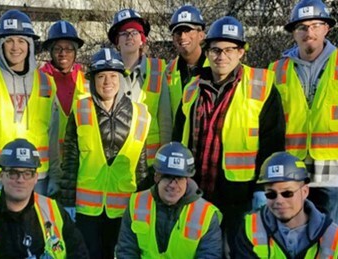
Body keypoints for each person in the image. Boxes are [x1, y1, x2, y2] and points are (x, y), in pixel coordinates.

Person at [178, 16, 285, 255]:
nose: (221, 56)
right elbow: (180, 137)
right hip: (197, 191)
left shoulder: (261, 85)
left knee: (238, 252)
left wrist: (263, 188)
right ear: (206, 52)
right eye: (215, 50)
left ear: (241, 53)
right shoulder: (192, 88)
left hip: (241, 195)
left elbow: (272, 142)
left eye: (229, 49)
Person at [269, 0, 338, 228]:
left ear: (326, 28)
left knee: (332, 238)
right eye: (302, 27)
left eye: (316, 25)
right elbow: (268, 124)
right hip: (290, 172)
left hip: (333, 174)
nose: (309, 32)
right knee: (291, 237)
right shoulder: (276, 71)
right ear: (293, 33)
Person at [61, 48, 150, 258]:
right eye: (101, 76)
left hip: (124, 207)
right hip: (86, 209)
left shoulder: (141, 114)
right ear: (93, 81)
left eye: (113, 76)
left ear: (121, 79)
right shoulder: (80, 109)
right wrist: (67, 204)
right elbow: (71, 161)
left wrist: (143, 206)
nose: (107, 81)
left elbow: (142, 167)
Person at [0, 9, 61, 199]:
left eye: (21, 41)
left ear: (30, 45)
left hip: (37, 177)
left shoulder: (46, 83)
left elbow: (54, 136)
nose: (15, 47)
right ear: (0, 45)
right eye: (8, 40)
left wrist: (56, 177)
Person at [0, 138, 88, 258]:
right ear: (1, 176)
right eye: (13, 173)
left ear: (36, 177)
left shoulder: (54, 211)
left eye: (27, 173)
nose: (20, 180)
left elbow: (79, 252)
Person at [233, 152, 338, 258]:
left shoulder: (334, 239)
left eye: (287, 193)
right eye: (271, 194)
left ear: (304, 192)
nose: (279, 200)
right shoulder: (250, 229)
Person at [116, 142, 223, 258]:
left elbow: (209, 256)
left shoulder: (206, 215)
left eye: (179, 178)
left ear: (187, 179)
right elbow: (126, 251)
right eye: (168, 177)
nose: (173, 185)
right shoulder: (136, 204)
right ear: (157, 177)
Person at [107, 8, 172, 167]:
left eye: (135, 32)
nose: (129, 36)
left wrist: (164, 161)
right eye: (124, 33)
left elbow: (165, 120)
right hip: (117, 161)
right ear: (117, 42)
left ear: (143, 39)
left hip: (150, 163)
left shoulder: (157, 70)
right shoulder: (107, 72)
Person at [39, 20, 87, 220]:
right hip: (47, 165)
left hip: (77, 165)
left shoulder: (86, 81)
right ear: (50, 51)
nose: (63, 53)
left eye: (68, 48)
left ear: (76, 52)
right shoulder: (39, 79)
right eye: (58, 48)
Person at [166, 5, 210, 139]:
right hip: (178, 148)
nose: (182, 36)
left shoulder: (216, 70)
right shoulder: (167, 72)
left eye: (188, 30)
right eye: (178, 32)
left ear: (201, 35)